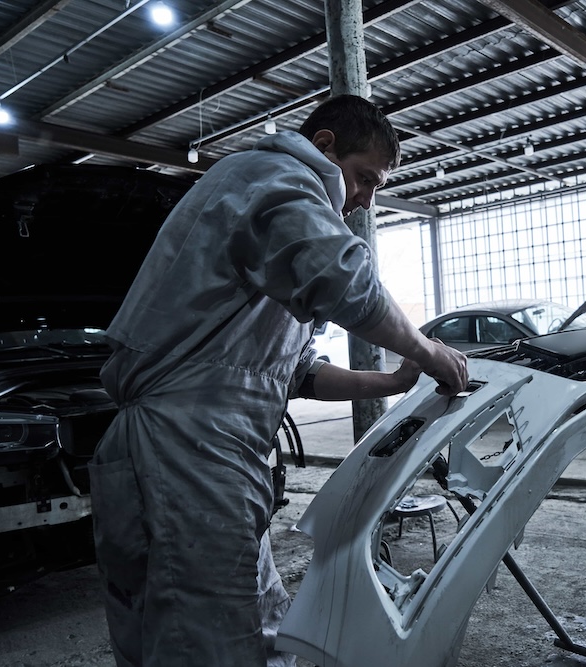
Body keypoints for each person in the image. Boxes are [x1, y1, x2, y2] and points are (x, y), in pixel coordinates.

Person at [89, 94, 468, 667]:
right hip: (188, 444)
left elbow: (293, 374)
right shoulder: (273, 174)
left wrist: (390, 382)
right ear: (324, 146)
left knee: (237, 623)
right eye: (365, 178)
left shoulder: (268, 229)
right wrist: (426, 349)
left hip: (209, 449)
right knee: (214, 638)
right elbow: (343, 279)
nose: (365, 200)